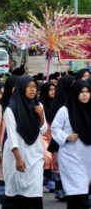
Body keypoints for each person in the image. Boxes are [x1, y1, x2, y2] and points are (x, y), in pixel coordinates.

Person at [2, 76, 47, 209]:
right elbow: (11, 136)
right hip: (16, 154)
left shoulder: (38, 106)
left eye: (34, 87)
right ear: (22, 88)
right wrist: (18, 158)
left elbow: (43, 130)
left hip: (35, 154)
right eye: (29, 86)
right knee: (16, 190)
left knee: (35, 189)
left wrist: (42, 116)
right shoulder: (11, 109)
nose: (33, 90)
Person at [51, 79, 91, 209]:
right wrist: (66, 136)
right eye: (81, 92)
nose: (85, 95)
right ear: (75, 93)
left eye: (87, 92)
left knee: (82, 190)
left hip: (87, 157)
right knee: (77, 191)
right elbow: (55, 128)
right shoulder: (65, 110)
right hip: (70, 157)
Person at [0, 75, 18, 208]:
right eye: (14, 87)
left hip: (19, 147)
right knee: (2, 176)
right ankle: (3, 203)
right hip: (3, 146)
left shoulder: (21, 103)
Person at [39, 82, 56, 192]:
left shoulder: (57, 103)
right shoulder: (40, 105)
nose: (53, 92)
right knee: (47, 157)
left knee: (53, 158)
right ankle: (47, 178)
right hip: (43, 135)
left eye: (54, 89)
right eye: (50, 90)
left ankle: (50, 180)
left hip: (53, 136)